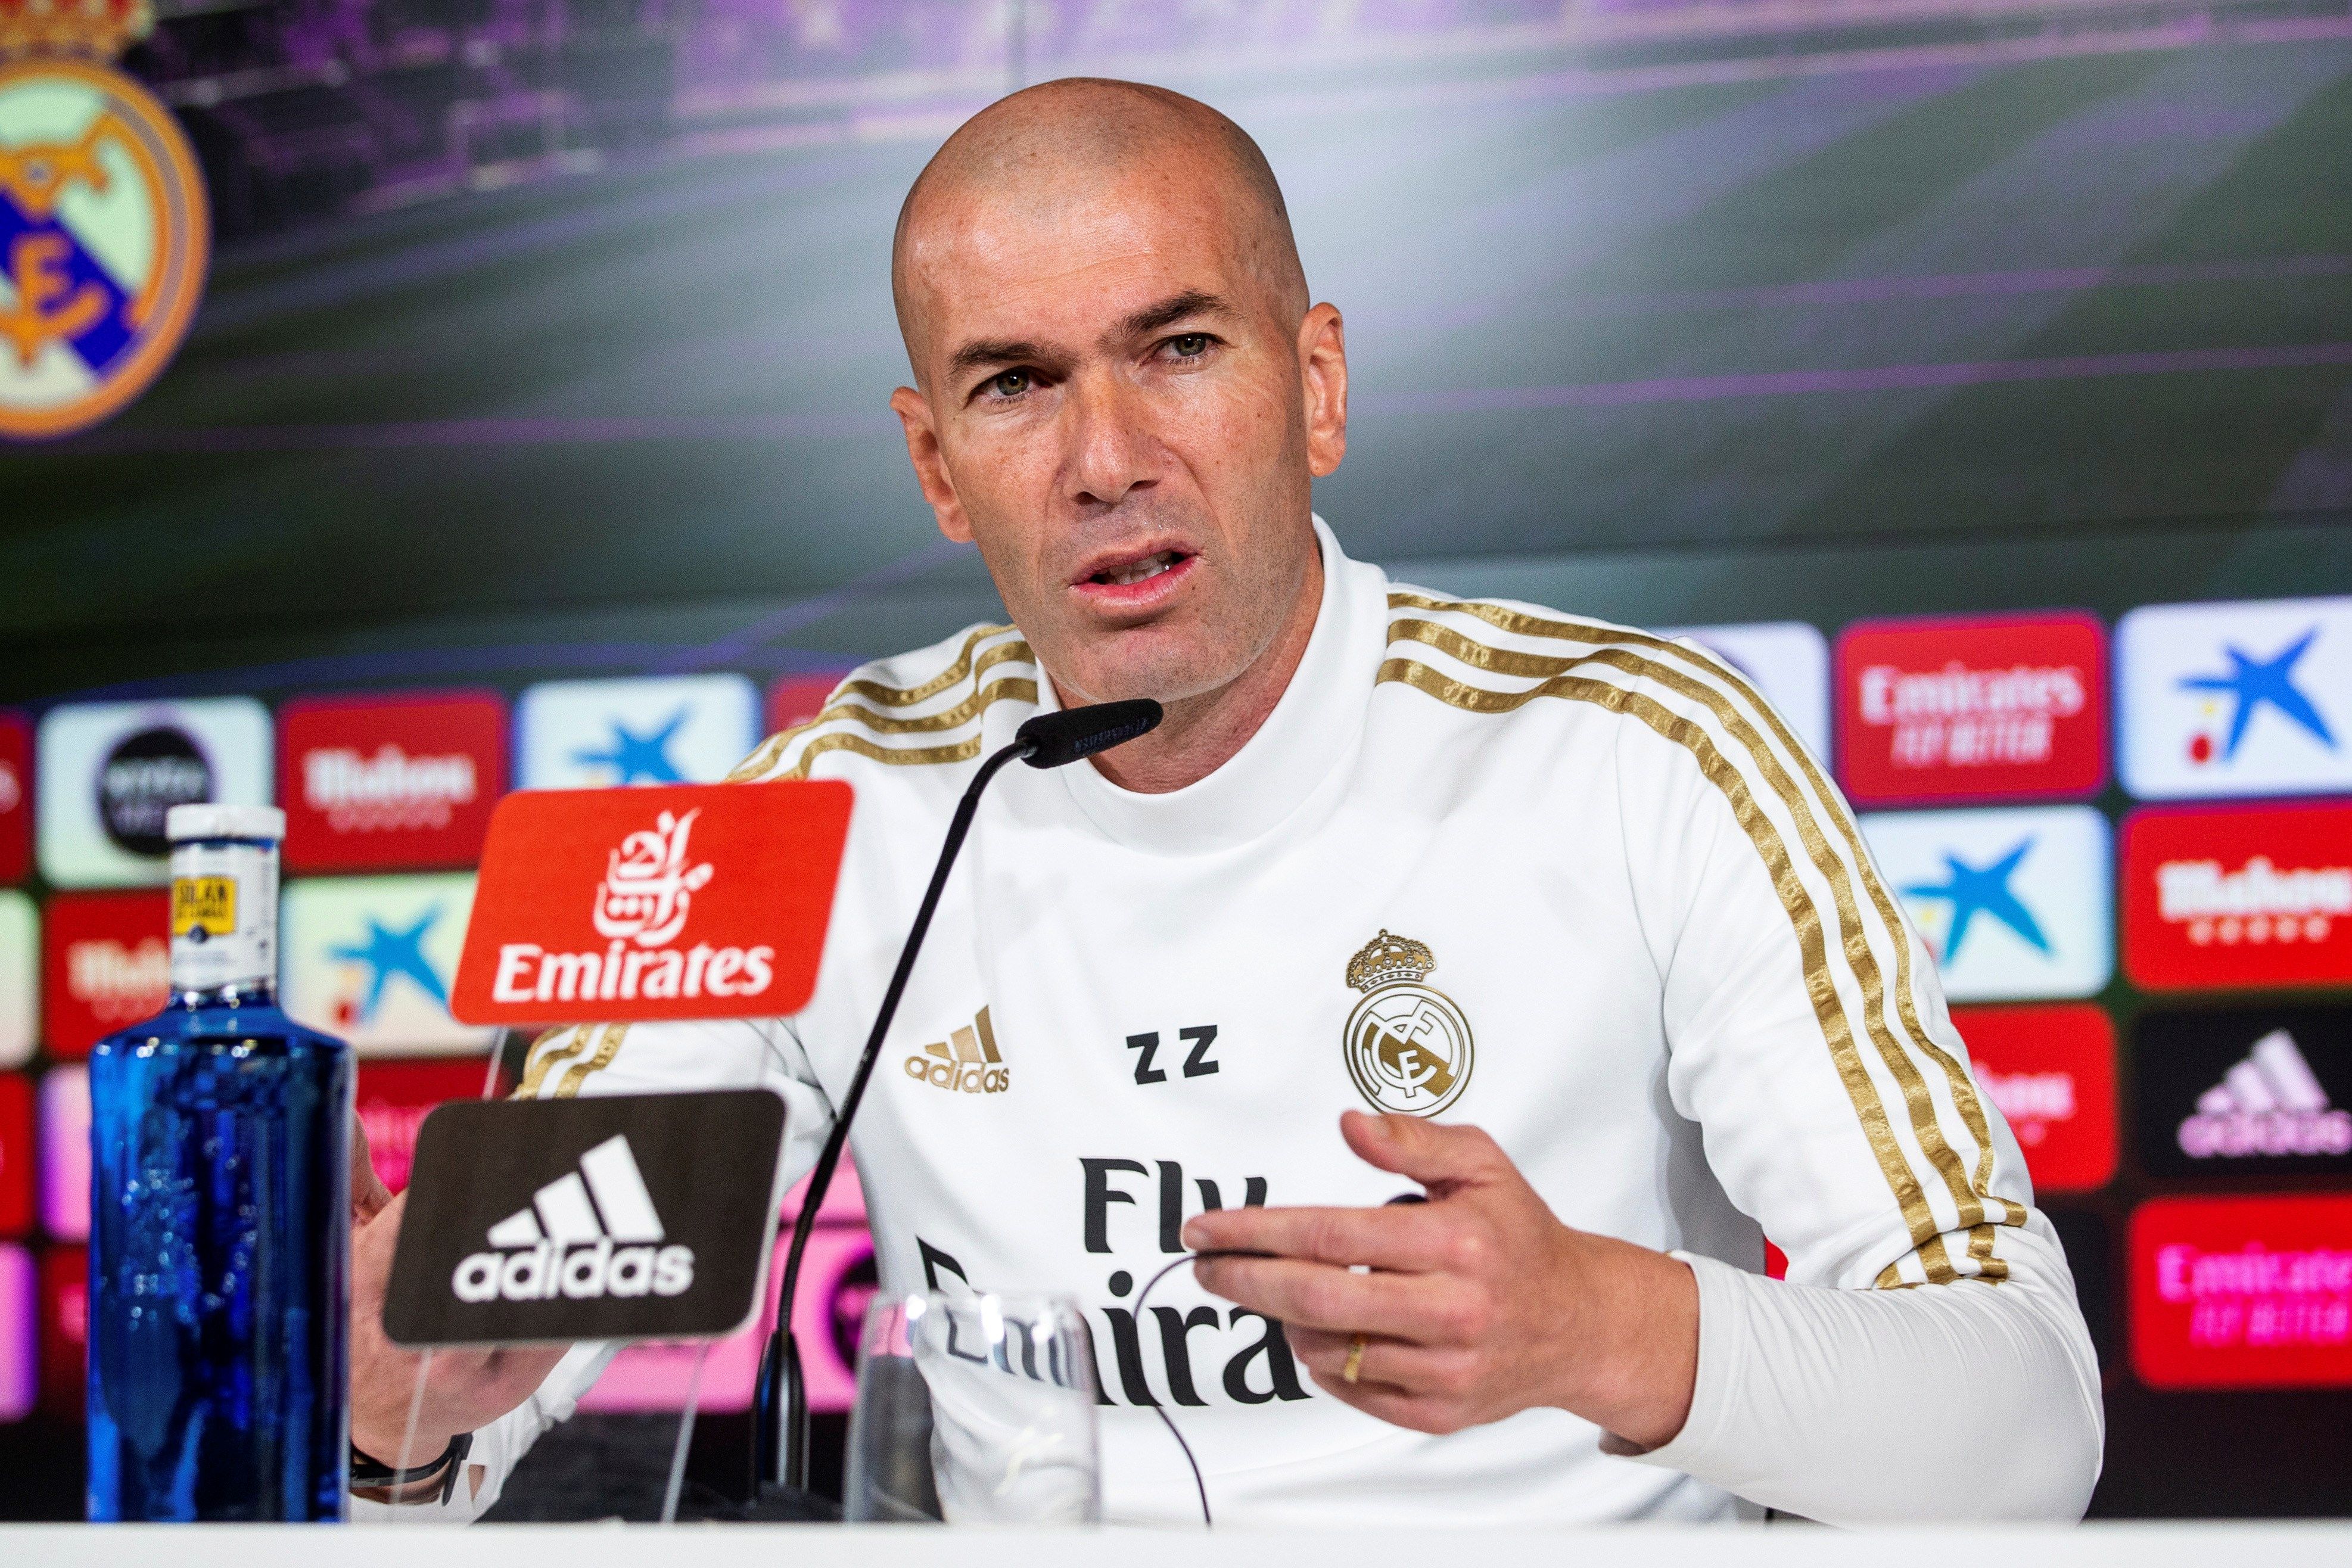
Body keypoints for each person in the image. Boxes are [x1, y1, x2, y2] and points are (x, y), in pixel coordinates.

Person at [347, 77, 2103, 1525]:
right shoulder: (823, 813)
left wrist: (1604, 1331)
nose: (1105, 458)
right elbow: (432, 1432)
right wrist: (394, 1416)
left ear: (1316, 383)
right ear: (934, 467)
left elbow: (2025, 1427)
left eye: (1176, 346)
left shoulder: (1642, 753)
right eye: (1015, 384)